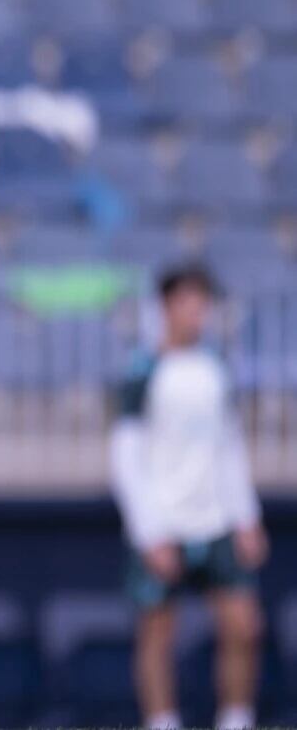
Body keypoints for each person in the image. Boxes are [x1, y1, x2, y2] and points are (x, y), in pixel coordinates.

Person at [109, 262, 268, 730]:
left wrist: (246, 516)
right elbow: (126, 457)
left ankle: (236, 719)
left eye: (203, 303)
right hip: (165, 523)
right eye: (187, 302)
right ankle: (162, 722)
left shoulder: (216, 368)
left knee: (243, 626)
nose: (196, 312)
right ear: (165, 307)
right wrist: (149, 530)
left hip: (216, 521)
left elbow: (229, 444)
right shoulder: (144, 370)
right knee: (158, 634)